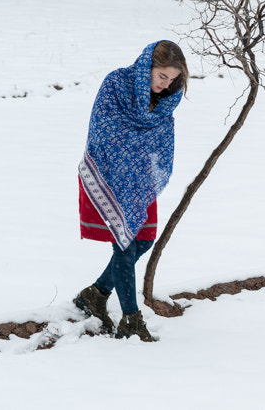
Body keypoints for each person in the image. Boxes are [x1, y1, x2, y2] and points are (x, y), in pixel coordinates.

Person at [73, 40, 189, 342]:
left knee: (144, 240)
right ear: (146, 68)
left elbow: (160, 137)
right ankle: (131, 319)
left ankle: (96, 293)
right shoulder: (116, 84)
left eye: (172, 80)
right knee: (124, 245)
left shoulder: (165, 102)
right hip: (110, 174)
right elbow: (103, 128)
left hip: (140, 181)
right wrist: (127, 155)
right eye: (161, 76)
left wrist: (142, 162)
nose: (165, 85)